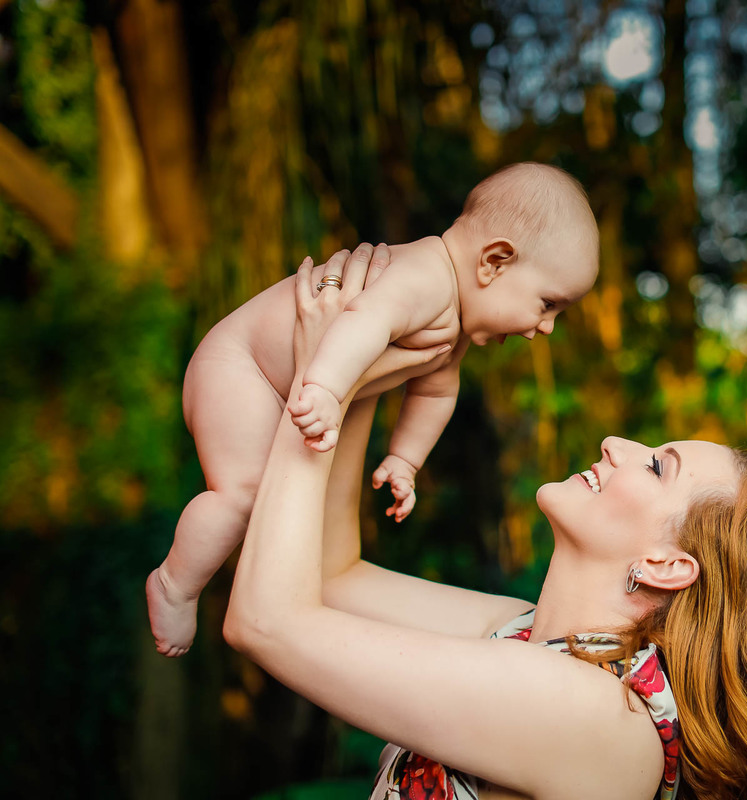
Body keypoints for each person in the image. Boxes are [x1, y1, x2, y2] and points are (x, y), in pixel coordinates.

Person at [223, 257, 747, 799]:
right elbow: (333, 578)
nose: (615, 444)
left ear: (667, 563)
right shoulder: (522, 634)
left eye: (658, 465)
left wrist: (316, 379)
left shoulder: (600, 715)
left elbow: (267, 622)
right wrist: (356, 368)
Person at [148, 162, 600, 657]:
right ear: (493, 262)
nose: (547, 328)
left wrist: (405, 460)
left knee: (267, 503)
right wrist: (323, 388)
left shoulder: (456, 325)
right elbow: (364, 320)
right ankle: (175, 584)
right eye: (548, 304)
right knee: (244, 493)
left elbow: (434, 393)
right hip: (240, 367)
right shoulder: (426, 278)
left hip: (279, 384)